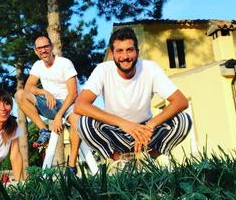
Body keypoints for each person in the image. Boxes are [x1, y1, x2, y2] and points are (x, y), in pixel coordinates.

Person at [75, 27, 192, 162]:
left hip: (146, 132)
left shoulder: (150, 68)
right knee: (84, 123)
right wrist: (124, 124)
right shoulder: (102, 70)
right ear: (112, 54)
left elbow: (181, 101)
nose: (125, 56)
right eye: (119, 51)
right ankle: (120, 161)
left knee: (183, 120)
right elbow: (80, 105)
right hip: (116, 130)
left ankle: (146, 160)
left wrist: (150, 125)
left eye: (129, 50)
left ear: (137, 52)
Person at [14, 35, 82, 171]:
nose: (43, 50)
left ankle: (72, 166)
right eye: (39, 48)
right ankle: (43, 130)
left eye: (45, 46)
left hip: (69, 104)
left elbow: (73, 93)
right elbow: (28, 88)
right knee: (19, 95)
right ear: (35, 51)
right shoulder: (37, 66)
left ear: (51, 47)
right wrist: (45, 92)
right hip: (50, 104)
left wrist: (59, 116)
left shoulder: (64, 63)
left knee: (77, 121)